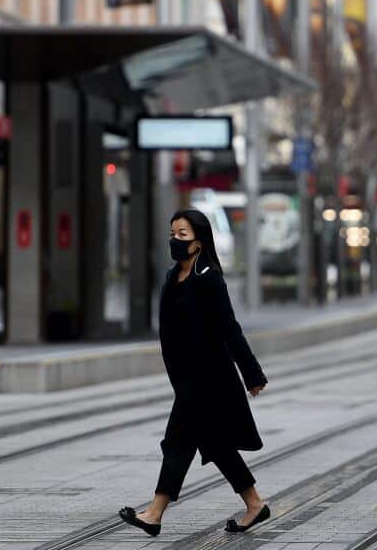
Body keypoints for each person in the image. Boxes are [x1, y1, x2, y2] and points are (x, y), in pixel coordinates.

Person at [118, 209, 271, 537]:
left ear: (199, 241)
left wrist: (252, 374)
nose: (175, 240)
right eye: (172, 233)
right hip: (187, 378)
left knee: (177, 441)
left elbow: (230, 328)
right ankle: (255, 504)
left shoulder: (209, 278)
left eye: (182, 235)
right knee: (216, 445)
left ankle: (155, 513)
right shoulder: (173, 276)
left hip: (210, 378)